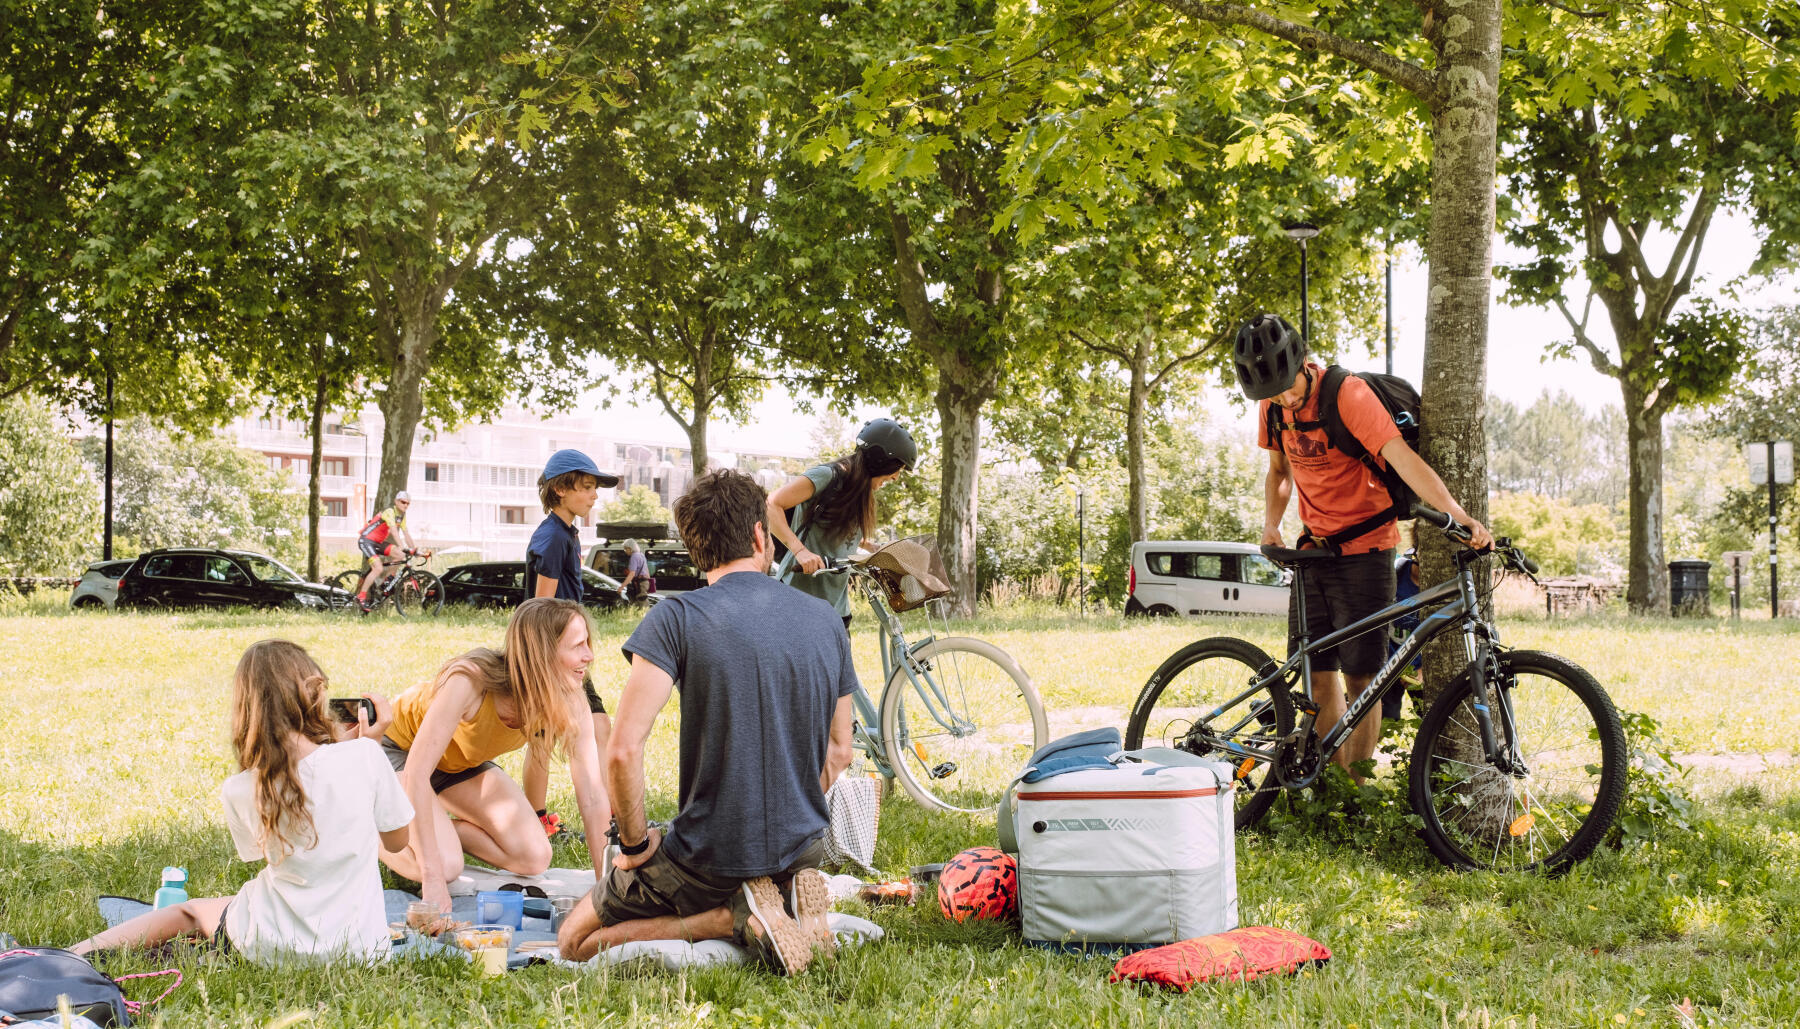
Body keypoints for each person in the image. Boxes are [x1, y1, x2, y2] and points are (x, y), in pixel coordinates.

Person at [557, 469, 857, 975]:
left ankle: (730, 919)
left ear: (696, 551)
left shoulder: (677, 617)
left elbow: (624, 749)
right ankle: (779, 901)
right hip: (801, 850)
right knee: (780, 860)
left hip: (705, 860)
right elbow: (841, 751)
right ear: (761, 537)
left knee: (574, 940)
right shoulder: (826, 620)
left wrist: (633, 845)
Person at [1236, 313, 1492, 782]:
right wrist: (1271, 525)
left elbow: (1404, 460)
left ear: (1301, 362)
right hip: (1311, 552)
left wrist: (1458, 514)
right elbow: (1279, 472)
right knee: (1316, 676)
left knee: (1363, 680)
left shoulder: (1347, 395)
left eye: (1287, 389)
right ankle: (1329, 786)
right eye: (1271, 393)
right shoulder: (1271, 404)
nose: (1282, 400)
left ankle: (1355, 790)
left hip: (1366, 551)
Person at [71, 641, 413, 964]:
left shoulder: (242, 787)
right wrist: (368, 745)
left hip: (268, 943)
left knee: (191, 911)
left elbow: (261, 853)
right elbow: (397, 842)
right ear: (315, 693)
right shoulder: (365, 755)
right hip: (360, 948)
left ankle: (74, 953)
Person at [378, 597, 612, 914]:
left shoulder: (569, 697)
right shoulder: (470, 682)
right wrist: (432, 881)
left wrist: (606, 888)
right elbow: (418, 773)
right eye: (578, 645)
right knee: (444, 868)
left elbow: (593, 795)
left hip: (459, 763)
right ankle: (369, 830)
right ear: (541, 655)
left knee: (534, 857)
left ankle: (436, 836)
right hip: (401, 751)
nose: (590, 655)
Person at [521, 448, 621, 840]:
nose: (594, 495)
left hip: (565, 650)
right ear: (562, 489)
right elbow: (541, 608)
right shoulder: (552, 537)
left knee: (589, 728)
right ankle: (546, 820)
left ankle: (603, 816)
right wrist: (549, 659)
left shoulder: (563, 532)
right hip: (553, 652)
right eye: (587, 487)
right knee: (548, 738)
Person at [766, 418, 917, 627]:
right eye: (896, 469)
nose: (896, 477)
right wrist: (801, 552)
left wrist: (867, 544)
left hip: (836, 606)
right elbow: (771, 505)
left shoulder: (860, 488)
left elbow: (835, 527)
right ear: (880, 460)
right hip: (798, 601)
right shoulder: (827, 476)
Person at [355, 491, 424, 612]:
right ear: (396, 502)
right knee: (378, 568)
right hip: (366, 540)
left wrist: (414, 550)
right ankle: (361, 596)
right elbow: (394, 532)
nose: (406, 505)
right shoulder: (389, 512)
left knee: (400, 555)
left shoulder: (402, 516)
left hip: (378, 542)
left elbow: (406, 534)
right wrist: (402, 546)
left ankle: (388, 580)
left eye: (408, 503)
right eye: (403, 502)